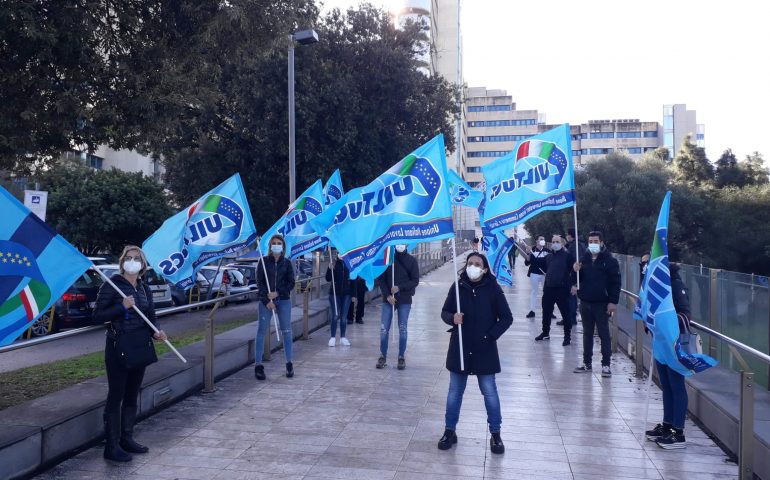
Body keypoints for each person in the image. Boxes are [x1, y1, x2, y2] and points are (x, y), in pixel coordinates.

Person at [93, 245, 167, 462]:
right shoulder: (112, 286)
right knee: (116, 395)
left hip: (140, 346)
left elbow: (151, 314)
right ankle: (112, 445)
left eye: (137, 258)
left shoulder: (144, 288)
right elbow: (97, 315)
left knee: (132, 393)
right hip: (119, 346)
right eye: (129, 257)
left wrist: (157, 331)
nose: (132, 261)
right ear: (122, 261)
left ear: (143, 265)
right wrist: (122, 307)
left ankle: (127, 438)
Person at [438, 252, 513, 455]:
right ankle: (449, 431)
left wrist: (490, 337)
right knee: (455, 392)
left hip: (484, 349)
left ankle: (496, 434)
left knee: (489, 392)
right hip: (460, 347)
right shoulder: (458, 286)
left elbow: (506, 318)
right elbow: (445, 311)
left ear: (485, 269)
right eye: (470, 263)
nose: (473, 267)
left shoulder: (493, 289)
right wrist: (452, 318)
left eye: (477, 264)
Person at [646, 262, 692, 449]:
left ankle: (678, 432)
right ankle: (667, 425)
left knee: (676, 384)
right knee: (666, 385)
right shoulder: (655, 286)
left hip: (674, 342)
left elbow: (685, 314)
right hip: (661, 342)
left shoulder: (675, 284)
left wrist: (666, 322)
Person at [572, 231, 621, 377]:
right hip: (585, 302)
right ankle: (587, 363)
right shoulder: (583, 260)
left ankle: (606, 365)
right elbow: (575, 279)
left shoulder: (610, 261)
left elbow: (616, 283)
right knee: (587, 334)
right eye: (590, 241)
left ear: (601, 242)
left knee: (604, 334)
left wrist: (613, 301)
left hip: (602, 304)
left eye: (595, 241)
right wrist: (575, 271)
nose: (592, 244)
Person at [254, 235, 296, 380]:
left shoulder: (287, 263)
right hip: (266, 302)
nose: (276, 245)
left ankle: (289, 363)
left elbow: (291, 283)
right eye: (274, 243)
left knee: (286, 331)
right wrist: (266, 300)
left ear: (283, 246)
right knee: (261, 331)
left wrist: (278, 293)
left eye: (279, 243)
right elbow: (259, 283)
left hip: (283, 300)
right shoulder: (263, 262)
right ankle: (258, 366)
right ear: (270, 246)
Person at [375, 244, 419, 370]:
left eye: (403, 243)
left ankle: (401, 356)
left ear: (406, 245)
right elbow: (381, 279)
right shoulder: (388, 259)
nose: (400, 245)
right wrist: (387, 295)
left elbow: (415, 280)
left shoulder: (411, 261)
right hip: (388, 300)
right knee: (384, 330)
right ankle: (382, 355)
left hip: (404, 299)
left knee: (403, 329)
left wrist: (400, 287)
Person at [535, 235, 575, 345]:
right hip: (548, 288)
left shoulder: (568, 256)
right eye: (553, 242)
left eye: (557, 242)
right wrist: (529, 254)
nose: (555, 244)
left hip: (562, 289)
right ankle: (545, 333)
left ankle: (567, 336)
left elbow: (575, 271)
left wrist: (573, 285)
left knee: (565, 313)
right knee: (546, 311)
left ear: (562, 244)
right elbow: (536, 262)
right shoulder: (549, 257)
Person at [560, 228, 587, 328]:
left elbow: (575, 259)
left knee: (571, 296)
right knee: (572, 297)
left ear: (571, 236)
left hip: (574, 274)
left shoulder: (576, 246)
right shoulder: (579, 244)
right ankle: (570, 318)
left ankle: (570, 319)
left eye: (567, 235)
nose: (567, 237)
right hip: (575, 273)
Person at [326, 248, 351, 346]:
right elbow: (328, 278)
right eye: (338, 252)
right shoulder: (334, 264)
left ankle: (343, 337)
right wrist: (329, 268)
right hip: (334, 294)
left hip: (346, 294)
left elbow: (353, 280)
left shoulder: (349, 264)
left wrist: (354, 295)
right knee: (335, 316)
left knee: (344, 317)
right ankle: (332, 337)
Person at [522, 236, 549, 318]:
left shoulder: (547, 251)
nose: (542, 241)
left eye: (543, 239)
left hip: (545, 274)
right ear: (537, 241)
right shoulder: (532, 250)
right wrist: (528, 253)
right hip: (534, 274)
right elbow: (527, 263)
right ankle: (532, 311)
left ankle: (548, 311)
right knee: (534, 292)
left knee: (547, 293)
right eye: (541, 239)